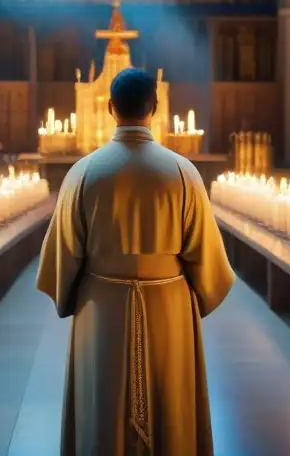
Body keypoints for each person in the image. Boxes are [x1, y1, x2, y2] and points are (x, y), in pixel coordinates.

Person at [37, 68, 235, 456]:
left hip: (101, 307)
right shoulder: (183, 173)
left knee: (101, 407)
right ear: (155, 108)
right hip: (169, 307)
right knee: (170, 409)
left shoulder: (83, 173)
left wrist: (72, 292)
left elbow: (61, 257)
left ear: (111, 109)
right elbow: (208, 261)